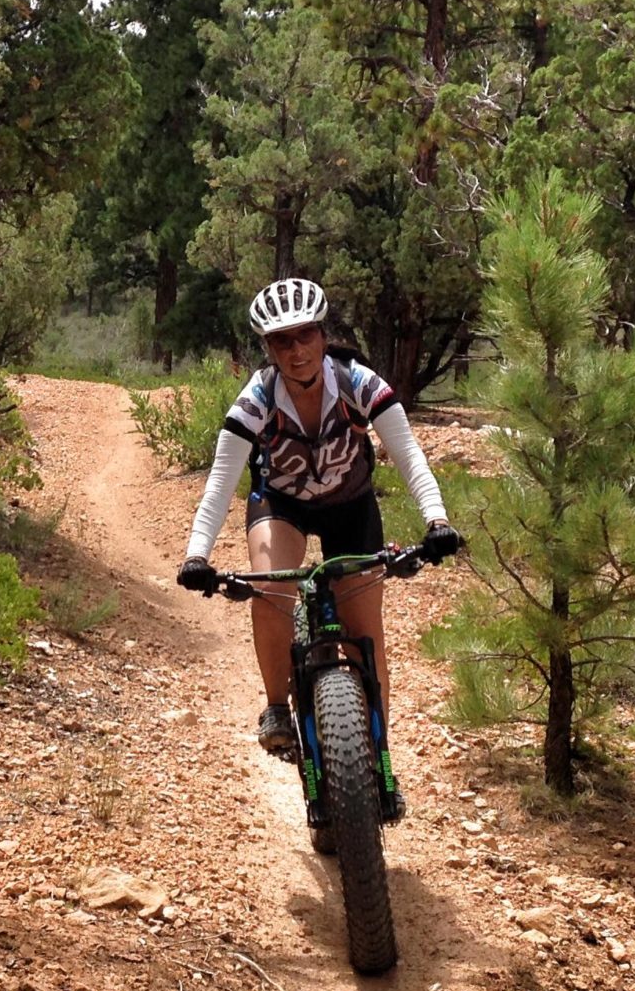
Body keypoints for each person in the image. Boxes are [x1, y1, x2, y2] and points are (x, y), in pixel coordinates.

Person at [174, 278, 462, 762]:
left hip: (351, 506)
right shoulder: (255, 402)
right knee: (271, 588)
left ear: (323, 336)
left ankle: (376, 766)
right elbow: (219, 485)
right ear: (267, 348)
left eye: (305, 334)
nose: (296, 350)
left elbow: (409, 454)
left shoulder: (360, 384)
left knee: (365, 635)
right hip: (281, 506)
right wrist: (196, 554)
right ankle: (275, 708)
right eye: (281, 341)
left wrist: (436, 520)